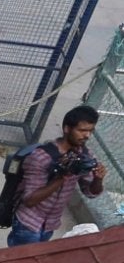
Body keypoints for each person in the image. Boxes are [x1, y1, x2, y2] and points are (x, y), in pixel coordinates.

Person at [8, 105, 107, 245]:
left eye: (90, 131)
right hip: (28, 223)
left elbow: (90, 193)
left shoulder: (84, 155)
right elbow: (29, 200)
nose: (87, 136)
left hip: (50, 225)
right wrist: (62, 178)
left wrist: (98, 179)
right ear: (67, 129)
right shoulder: (41, 157)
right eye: (82, 130)